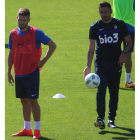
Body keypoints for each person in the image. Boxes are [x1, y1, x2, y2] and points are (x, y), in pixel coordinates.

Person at [7, 8, 57, 139]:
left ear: (29, 20)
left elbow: (52, 45)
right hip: (18, 73)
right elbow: (10, 54)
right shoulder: (12, 34)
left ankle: (38, 131)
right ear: (16, 18)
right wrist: (8, 71)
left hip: (31, 72)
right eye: (19, 20)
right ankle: (27, 129)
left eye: (24, 20)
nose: (21, 23)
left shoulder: (36, 33)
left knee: (33, 101)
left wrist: (43, 61)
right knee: (24, 101)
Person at [83, 2, 132, 130]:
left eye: (106, 12)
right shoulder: (95, 27)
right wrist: (88, 66)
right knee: (101, 89)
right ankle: (101, 119)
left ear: (111, 11)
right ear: (98, 12)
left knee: (114, 91)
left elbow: (129, 42)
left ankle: (111, 119)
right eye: (101, 12)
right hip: (101, 63)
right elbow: (91, 48)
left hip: (116, 63)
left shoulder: (120, 24)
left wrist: (124, 53)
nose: (104, 15)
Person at [113, 0, 135, 88]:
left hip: (115, 24)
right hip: (130, 25)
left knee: (113, 52)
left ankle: (112, 80)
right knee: (128, 54)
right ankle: (128, 81)